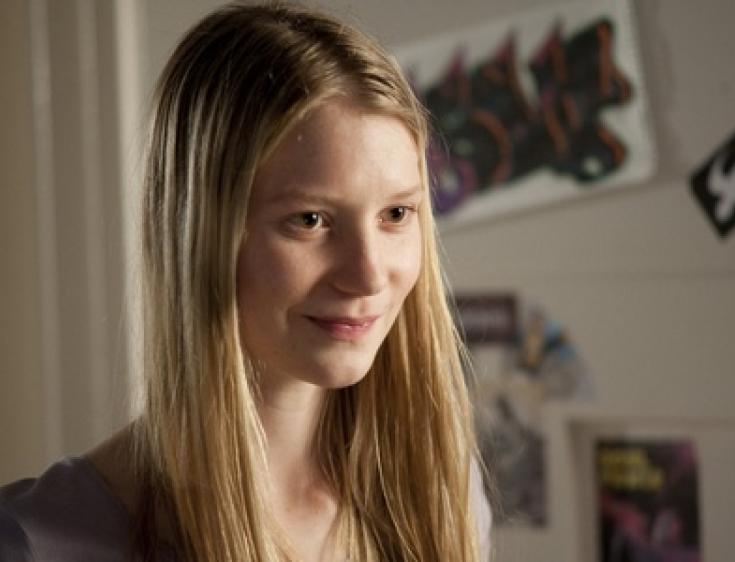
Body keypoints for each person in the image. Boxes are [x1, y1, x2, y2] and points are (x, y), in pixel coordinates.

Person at [0, 2, 491, 561]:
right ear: (201, 235)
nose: (369, 275)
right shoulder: (34, 543)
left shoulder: (443, 490)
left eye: (396, 214)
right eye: (310, 220)